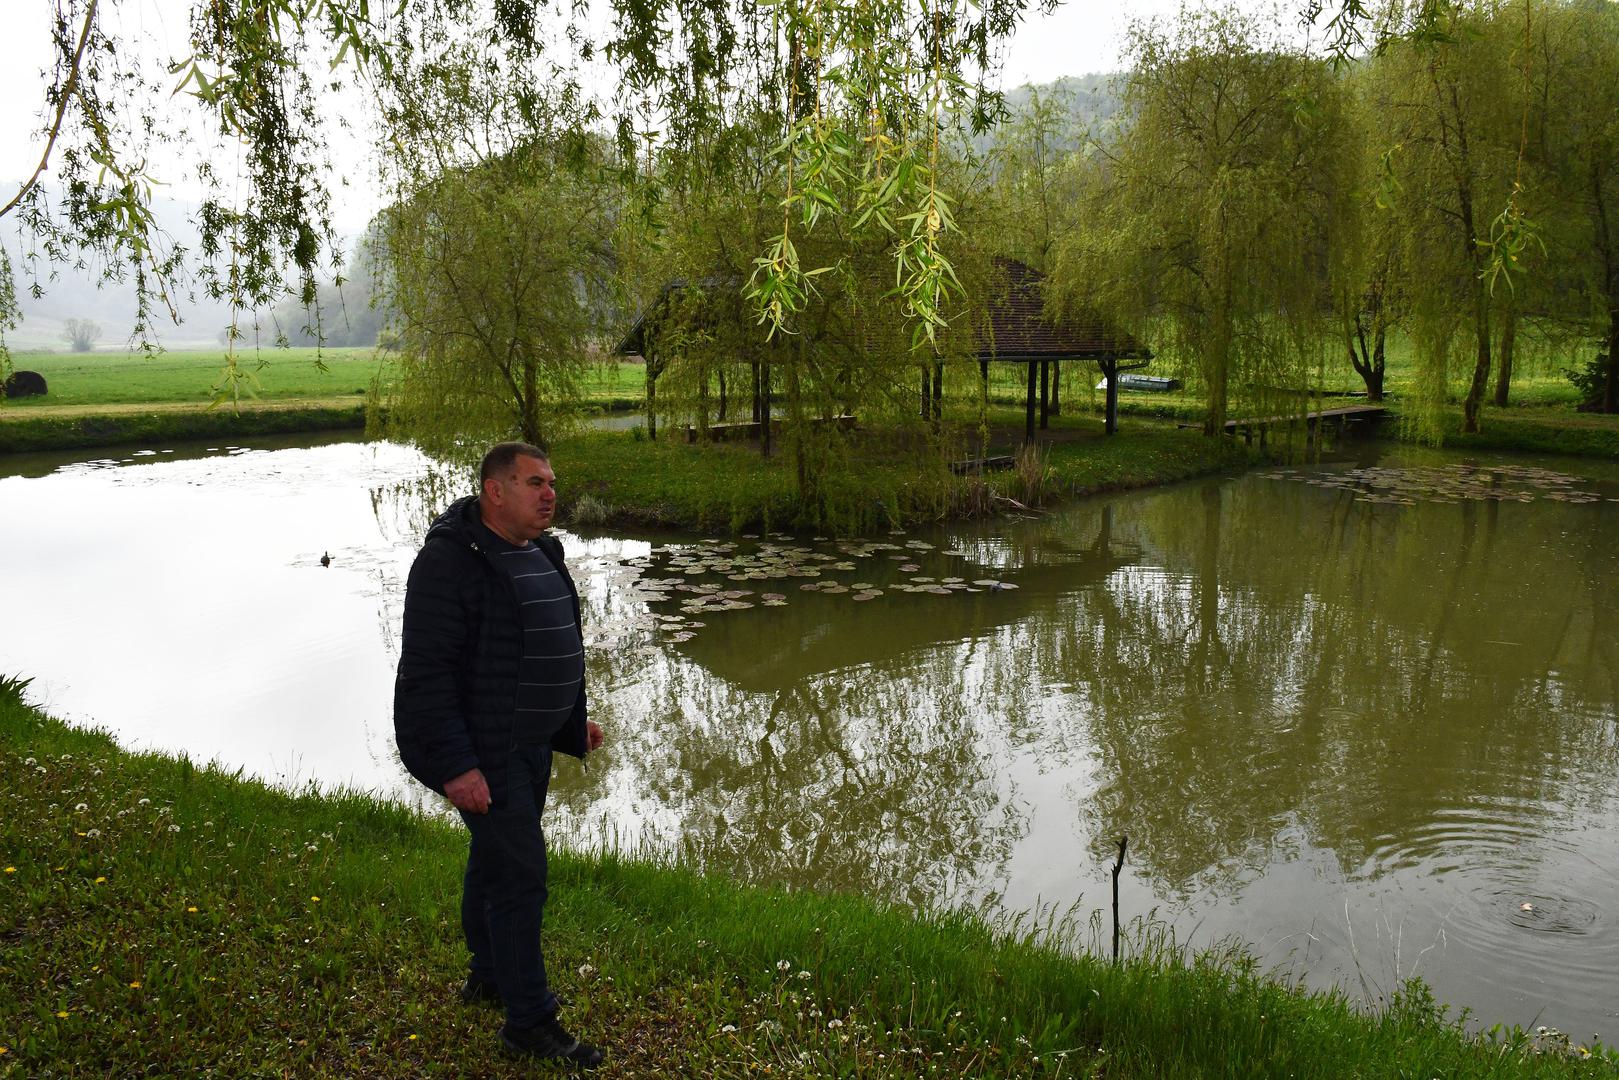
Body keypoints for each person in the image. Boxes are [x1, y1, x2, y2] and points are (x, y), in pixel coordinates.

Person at [394, 441, 606, 1067]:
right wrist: (458, 767)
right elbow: (427, 676)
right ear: (495, 490)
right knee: (519, 875)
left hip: (529, 745)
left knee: (493, 861)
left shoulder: (542, 550)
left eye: (552, 483)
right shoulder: (448, 563)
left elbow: (542, 642)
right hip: (486, 751)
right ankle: (529, 1023)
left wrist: (569, 725)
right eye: (535, 483)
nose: (550, 495)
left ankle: (490, 973)